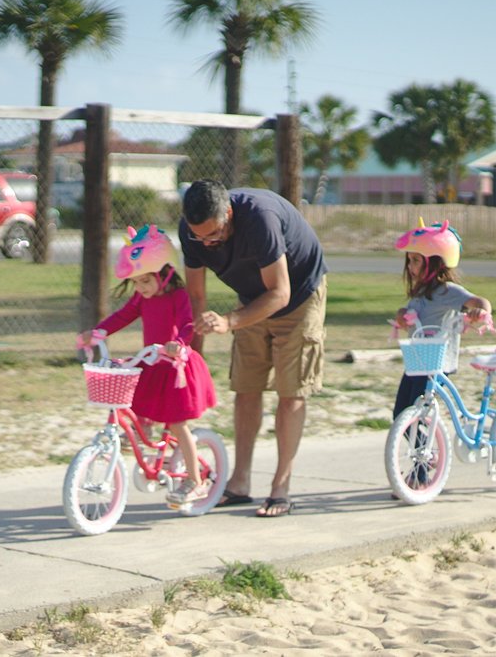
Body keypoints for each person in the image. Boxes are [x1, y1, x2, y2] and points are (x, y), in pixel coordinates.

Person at [179, 179, 328, 518]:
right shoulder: (192, 232)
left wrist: (230, 322)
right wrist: (194, 359)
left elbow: (280, 293)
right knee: (246, 387)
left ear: (228, 213)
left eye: (213, 234)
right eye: (199, 236)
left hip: (300, 295)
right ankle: (240, 483)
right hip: (251, 299)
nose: (207, 242)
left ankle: (281, 487)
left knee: (291, 392)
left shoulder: (260, 218)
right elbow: (196, 298)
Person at [81, 223, 218, 508]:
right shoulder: (142, 298)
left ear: (165, 274)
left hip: (175, 366)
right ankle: (157, 452)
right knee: (138, 409)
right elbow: (123, 315)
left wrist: (178, 343)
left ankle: (195, 480)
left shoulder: (176, 296)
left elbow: (186, 324)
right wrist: (99, 333)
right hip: (153, 365)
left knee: (178, 425)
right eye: (137, 282)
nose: (140, 288)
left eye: (145, 281)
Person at [391, 218, 492, 421]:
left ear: (435, 262)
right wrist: (402, 314)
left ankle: (426, 450)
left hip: (437, 365)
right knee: (400, 414)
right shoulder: (419, 293)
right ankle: (423, 450)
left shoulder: (447, 291)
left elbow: (480, 301)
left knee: (416, 414)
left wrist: (481, 312)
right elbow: (413, 312)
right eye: (409, 260)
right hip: (417, 361)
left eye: (416, 261)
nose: (410, 266)